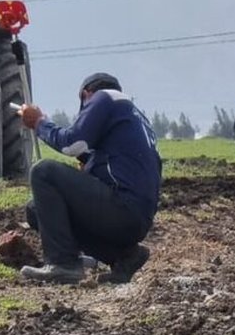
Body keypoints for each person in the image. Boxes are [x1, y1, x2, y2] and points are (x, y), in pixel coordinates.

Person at [16, 73, 162, 284]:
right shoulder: (133, 115)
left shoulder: (104, 97)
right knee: (36, 210)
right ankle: (124, 257)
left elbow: (73, 143)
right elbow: (112, 156)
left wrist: (39, 122)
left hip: (122, 207)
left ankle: (63, 263)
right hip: (137, 217)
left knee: (43, 171)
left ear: (86, 96)